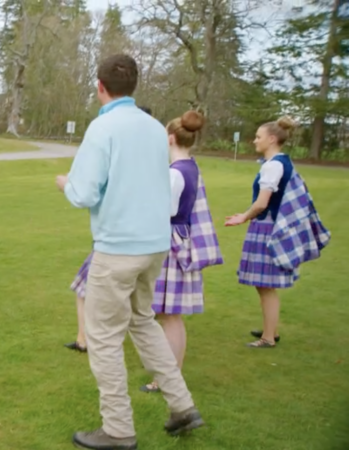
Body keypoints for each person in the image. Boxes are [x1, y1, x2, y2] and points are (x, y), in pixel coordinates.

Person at [55, 54, 203, 450]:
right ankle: (182, 405)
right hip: (153, 245)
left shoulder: (103, 127)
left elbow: (84, 192)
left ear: (100, 86)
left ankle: (118, 429)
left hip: (119, 246)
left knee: (103, 336)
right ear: (133, 86)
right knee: (142, 321)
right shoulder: (156, 129)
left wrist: (64, 184)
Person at [225, 117, 330, 348]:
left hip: (268, 228)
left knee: (265, 285)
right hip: (269, 225)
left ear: (272, 139)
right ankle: (271, 330)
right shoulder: (282, 162)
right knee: (265, 285)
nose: (255, 140)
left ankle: (269, 337)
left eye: (259, 137)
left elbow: (262, 203)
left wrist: (243, 216)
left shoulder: (272, 165)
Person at [139, 110, 223, 393]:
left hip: (170, 245)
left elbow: (167, 211)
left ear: (171, 138)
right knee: (169, 316)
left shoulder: (176, 173)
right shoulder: (191, 166)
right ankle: (170, 376)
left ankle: (166, 378)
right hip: (179, 241)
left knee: (167, 315)